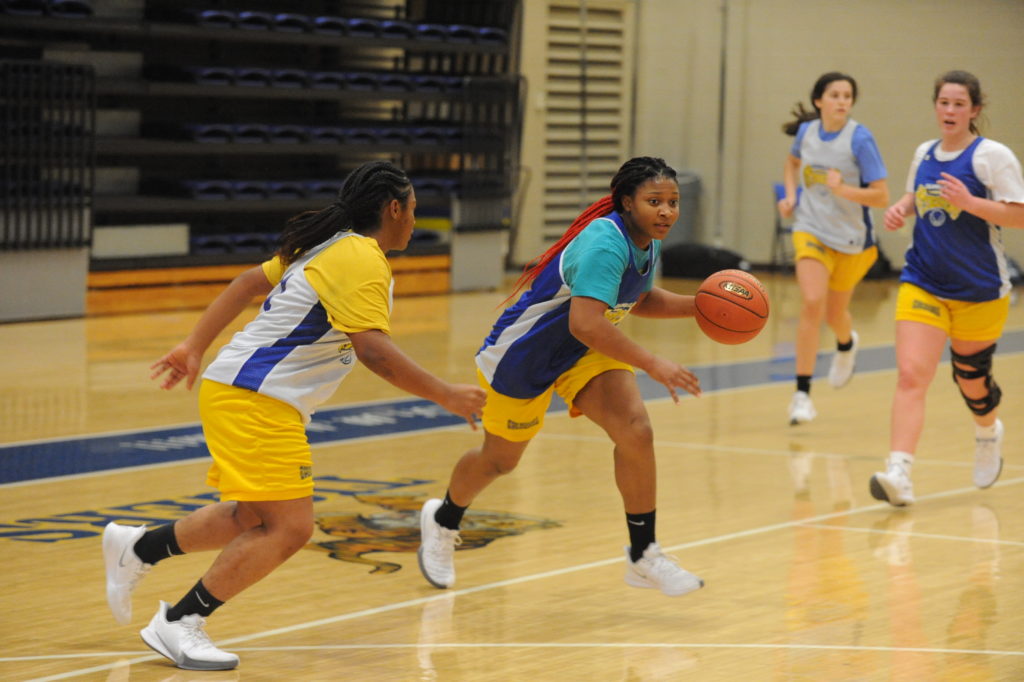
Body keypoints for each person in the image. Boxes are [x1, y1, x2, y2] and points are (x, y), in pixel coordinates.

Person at [101, 160, 486, 671]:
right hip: (255, 396)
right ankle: (180, 621)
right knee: (290, 527)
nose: (415, 222)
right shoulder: (359, 256)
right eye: (413, 210)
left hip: (244, 391)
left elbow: (245, 283)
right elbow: (373, 352)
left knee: (252, 518)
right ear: (393, 208)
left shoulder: (331, 245)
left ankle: (139, 548)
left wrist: (194, 345)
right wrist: (444, 394)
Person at [417, 157, 705, 597]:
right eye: (655, 202)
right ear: (627, 203)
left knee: (635, 430)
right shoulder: (606, 244)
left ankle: (643, 554)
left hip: (582, 351)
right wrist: (653, 363)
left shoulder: (646, 240)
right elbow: (585, 322)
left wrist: (703, 305)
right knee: (500, 461)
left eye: (673, 202)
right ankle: (443, 520)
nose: (666, 211)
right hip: (523, 355)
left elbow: (637, 298)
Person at [869, 70, 1024, 506]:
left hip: (979, 288)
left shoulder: (992, 156)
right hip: (924, 280)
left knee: (971, 381)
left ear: (975, 110)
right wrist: (901, 209)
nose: (950, 110)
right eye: (943, 102)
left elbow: (1019, 215)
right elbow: (915, 197)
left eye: (959, 104)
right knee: (911, 374)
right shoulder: (924, 153)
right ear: (935, 106)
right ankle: (899, 472)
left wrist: (970, 203)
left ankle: (987, 433)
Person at [777, 72, 889, 425]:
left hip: (851, 240)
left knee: (834, 315)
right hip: (811, 228)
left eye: (847, 96)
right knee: (812, 302)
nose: (842, 101)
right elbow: (792, 163)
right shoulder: (807, 133)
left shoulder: (860, 139)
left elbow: (882, 196)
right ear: (818, 101)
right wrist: (791, 196)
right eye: (835, 95)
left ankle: (846, 344)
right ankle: (802, 395)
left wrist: (844, 191)